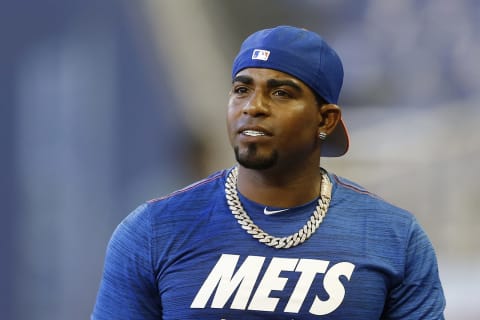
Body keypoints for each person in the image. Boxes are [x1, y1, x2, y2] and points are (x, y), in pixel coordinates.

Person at [92, 25, 446, 319]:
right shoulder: (154, 230)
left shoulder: (395, 239)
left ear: (325, 119)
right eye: (242, 89)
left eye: (280, 92)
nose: (253, 107)